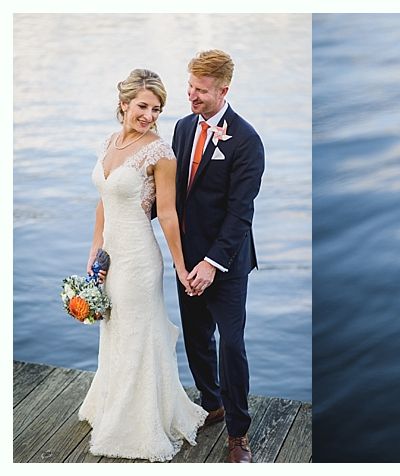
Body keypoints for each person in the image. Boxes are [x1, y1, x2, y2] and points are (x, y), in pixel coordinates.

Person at [79, 68, 207, 462]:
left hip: (139, 259)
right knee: (114, 332)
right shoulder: (109, 143)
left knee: (137, 334)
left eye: (156, 109)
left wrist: (181, 267)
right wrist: (94, 249)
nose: (149, 115)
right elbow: (105, 201)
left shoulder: (160, 153)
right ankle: (113, 405)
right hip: (112, 257)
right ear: (124, 104)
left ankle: (139, 421)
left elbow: (167, 215)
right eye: (142, 106)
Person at [172, 49, 264, 464]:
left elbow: (240, 212)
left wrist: (211, 264)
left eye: (201, 91)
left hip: (226, 264)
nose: (191, 96)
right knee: (195, 339)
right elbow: (175, 197)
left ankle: (238, 434)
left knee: (231, 343)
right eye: (189, 86)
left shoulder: (246, 140)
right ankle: (211, 404)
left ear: (223, 90)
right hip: (184, 258)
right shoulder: (180, 128)